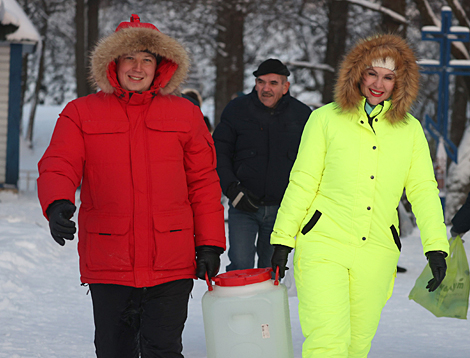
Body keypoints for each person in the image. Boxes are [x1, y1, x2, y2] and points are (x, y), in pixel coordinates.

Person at [37, 14, 225, 358]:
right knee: (114, 349)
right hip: (110, 257)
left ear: (161, 67)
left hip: (172, 258)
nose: (137, 68)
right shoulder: (80, 113)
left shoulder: (186, 115)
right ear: (113, 63)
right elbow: (59, 163)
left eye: (147, 60)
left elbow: (203, 183)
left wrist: (210, 243)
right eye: (130, 58)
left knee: (163, 349)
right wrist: (56, 202)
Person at [270, 34, 449, 357]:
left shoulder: (409, 130)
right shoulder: (325, 119)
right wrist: (283, 239)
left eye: (388, 77)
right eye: (372, 73)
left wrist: (436, 247)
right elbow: (303, 180)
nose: (378, 84)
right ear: (358, 73)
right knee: (327, 341)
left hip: (377, 251)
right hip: (324, 243)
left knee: (356, 345)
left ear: (400, 83)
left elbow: (423, 189)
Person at [213, 58, 311, 271]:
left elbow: (312, 163)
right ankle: (240, 305)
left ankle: (266, 306)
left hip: (282, 211)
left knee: (272, 270)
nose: (266, 88)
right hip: (243, 207)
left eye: (273, 83)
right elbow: (219, 152)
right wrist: (232, 189)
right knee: (240, 267)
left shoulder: (303, 115)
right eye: (260, 82)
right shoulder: (236, 110)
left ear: (286, 87)